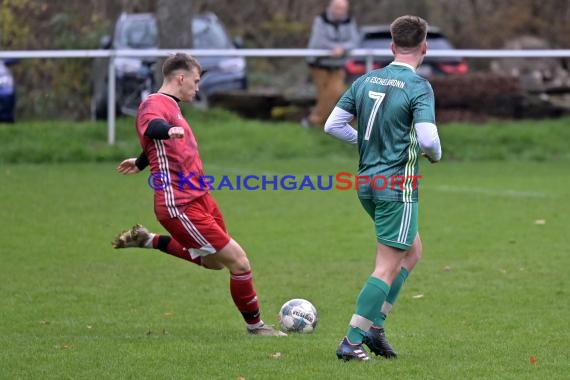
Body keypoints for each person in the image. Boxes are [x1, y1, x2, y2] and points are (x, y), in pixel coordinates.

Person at [111, 52, 286, 337]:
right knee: (239, 262)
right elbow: (153, 127)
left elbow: (157, 143)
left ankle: (149, 240)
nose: (197, 86)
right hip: (179, 203)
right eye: (195, 80)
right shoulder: (154, 103)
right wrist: (169, 130)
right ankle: (256, 327)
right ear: (180, 78)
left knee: (214, 261)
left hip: (200, 196)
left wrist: (141, 161)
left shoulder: (171, 106)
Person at [324, 15, 442, 361]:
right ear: (425, 47)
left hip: (366, 183)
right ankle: (352, 340)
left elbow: (333, 125)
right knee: (387, 265)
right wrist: (435, 154)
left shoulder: (366, 79)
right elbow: (428, 138)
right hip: (396, 186)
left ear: (391, 47)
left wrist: (364, 141)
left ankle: (375, 326)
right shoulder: (419, 86)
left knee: (413, 250)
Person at [303, 0, 360, 128]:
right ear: (331, 7)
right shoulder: (320, 20)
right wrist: (334, 48)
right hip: (319, 63)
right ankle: (326, 124)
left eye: (342, 9)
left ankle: (313, 120)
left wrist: (342, 49)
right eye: (337, 8)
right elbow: (319, 41)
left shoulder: (350, 21)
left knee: (335, 91)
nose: (339, 11)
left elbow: (355, 40)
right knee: (324, 95)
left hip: (338, 64)